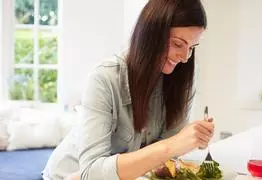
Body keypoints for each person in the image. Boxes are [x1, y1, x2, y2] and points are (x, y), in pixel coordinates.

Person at [42, 0, 214, 179]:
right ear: (152, 35)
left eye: (192, 48)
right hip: (68, 173)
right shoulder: (105, 78)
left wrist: (184, 143)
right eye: (178, 44)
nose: (185, 58)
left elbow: (166, 158)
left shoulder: (182, 78)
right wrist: (172, 145)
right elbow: (90, 173)